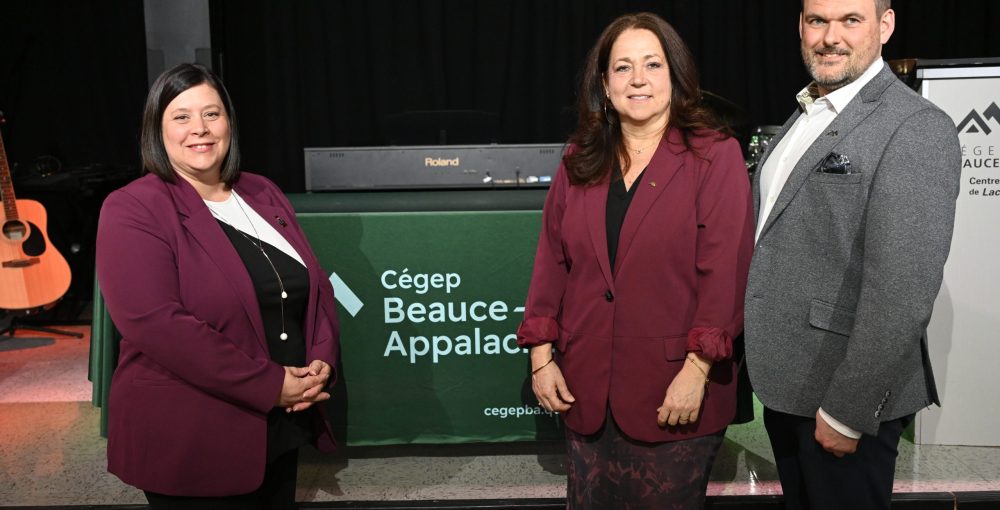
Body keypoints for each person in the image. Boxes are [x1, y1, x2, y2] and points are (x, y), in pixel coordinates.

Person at [517, 12, 754, 509]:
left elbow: (725, 274)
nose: (638, 79)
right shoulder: (579, 158)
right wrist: (541, 357)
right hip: (586, 390)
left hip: (675, 393)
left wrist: (697, 370)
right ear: (604, 83)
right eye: (623, 68)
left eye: (653, 64)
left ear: (677, 76)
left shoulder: (714, 155)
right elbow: (551, 262)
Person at [743, 0, 962, 508]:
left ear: (885, 26)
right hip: (790, 387)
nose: (829, 37)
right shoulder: (807, 113)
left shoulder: (916, 128)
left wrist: (848, 409)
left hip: (841, 398)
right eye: (817, 21)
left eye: (850, 20)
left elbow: (902, 290)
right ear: (800, 25)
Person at [96, 63, 340, 509]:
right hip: (193, 436)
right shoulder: (133, 207)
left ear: (229, 121)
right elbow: (158, 326)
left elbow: (315, 286)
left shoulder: (262, 191)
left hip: (281, 426)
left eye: (212, 114)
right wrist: (270, 384)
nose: (200, 129)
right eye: (182, 117)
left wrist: (320, 359)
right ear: (157, 129)